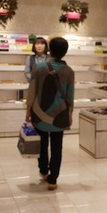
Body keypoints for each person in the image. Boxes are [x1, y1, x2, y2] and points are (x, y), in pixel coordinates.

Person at [25, 37, 74, 191]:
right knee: (57, 147)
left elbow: (32, 91)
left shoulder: (38, 68)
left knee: (42, 144)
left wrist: (28, 111)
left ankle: (44, 171)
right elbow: (70, 96)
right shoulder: (69, 71)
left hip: (39, 113)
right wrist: (70, 114)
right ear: (65, 52)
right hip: (59, 115)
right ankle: (53, 179)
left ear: (50, 49)